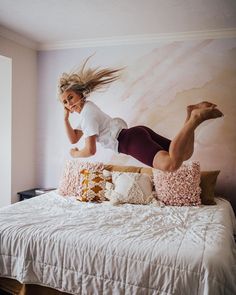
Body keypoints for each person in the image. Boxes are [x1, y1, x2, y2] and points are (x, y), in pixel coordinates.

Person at [59, 59, 223, 172]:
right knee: (184, 154)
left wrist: (76, 154)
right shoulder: (88, 111)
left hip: (129, 141)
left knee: (171, 165)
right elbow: (74, 138)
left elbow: (90, 150)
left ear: (80, 94)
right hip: (135, 134)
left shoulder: (88, 114)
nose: (69, 103)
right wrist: (66, 119)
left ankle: (194, 119)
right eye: (65, 102)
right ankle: (191, 114)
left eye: (70, 97)